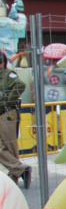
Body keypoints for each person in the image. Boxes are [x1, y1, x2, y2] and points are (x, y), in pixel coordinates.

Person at [0, 51, 30, 188]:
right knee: (5, 147)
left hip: (7, 114)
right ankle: (21, 170)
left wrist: (7, 102)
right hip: (3, 113)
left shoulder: (8, 74)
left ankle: (16, 174)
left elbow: (20, 85)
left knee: (10, 146)